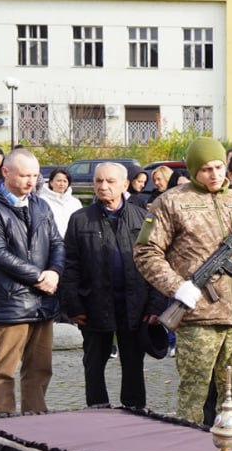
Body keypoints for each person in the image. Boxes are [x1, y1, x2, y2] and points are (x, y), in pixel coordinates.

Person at [133, 137, 232, 427]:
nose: (215, 174)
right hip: (199, 317)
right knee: (193, 397)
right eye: (206, 169)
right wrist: (176, 286)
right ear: (194, 169)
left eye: (219, 167)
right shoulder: (170, 202)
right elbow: (146, 252)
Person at [60, 163, 161, 409]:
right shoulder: (80, 219)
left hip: (135, 305)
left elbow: (157, 262)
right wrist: (72, 305)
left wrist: (156, 303)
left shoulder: (143, 218)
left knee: (133, 363)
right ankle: (97, 410)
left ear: (125, 185)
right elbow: (69, 265)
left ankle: (134, 410)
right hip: (93, 303)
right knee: (94, 362)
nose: (103, 186)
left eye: (110, 181)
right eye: (98, 181)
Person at [0, 149, 64, 414]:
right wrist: (38, 276)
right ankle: (1, 429)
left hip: (44, 300)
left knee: (40, 369)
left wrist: (54, 270)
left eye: (35, 175)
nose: (31, 181)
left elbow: (57, 242)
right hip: (13, 300)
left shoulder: (41, 205)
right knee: (2, 370)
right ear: (6, 172)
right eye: (24, 175)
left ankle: (37, 424)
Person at [36, 167, 82, 237]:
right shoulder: (42, 201)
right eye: (59, 180)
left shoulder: (75, 203)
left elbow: (80, 225)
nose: (62, 184)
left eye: (65, 181)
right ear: (51, 182)